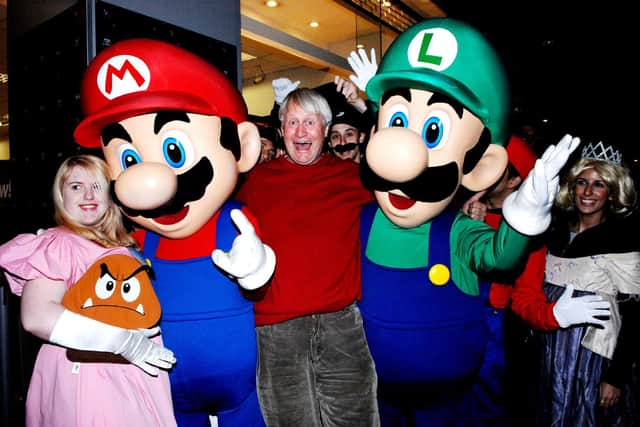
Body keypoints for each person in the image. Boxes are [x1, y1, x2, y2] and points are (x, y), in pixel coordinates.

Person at [347, 19, 579, 427]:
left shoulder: (456, 232)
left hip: (445, 400)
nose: (402, 159)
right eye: (396, 123)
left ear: (481, 165)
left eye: (433, 131)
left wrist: (524, 216)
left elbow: (499, 257)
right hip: (373, 395)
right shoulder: (360, 220)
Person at [73, 39, 275, 426]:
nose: (147, 180)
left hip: (236, 388)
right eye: (129, 160)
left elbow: (260, 272)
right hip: (167, 385)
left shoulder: (232, 222)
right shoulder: (139, 240)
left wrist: (257, 267)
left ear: (243, 148)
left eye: (173, 151)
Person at [235, 87, 379, 426]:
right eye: (293, 122)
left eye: (310, 123)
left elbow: (404, 180)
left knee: (356, 419)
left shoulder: (351, 178)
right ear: (282, 129)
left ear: (325, 131)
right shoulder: (253, 183)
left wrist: (370, 107)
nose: (301, 132)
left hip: (341, 326)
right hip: (276, 332)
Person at [0, 154, 177, 427]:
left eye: (97, 185)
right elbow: (37, 316)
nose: (88, 195)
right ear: (61, 195)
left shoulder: (124, 246)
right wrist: (125, 343)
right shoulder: (58, 243)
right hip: (86, 380)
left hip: (129, 379)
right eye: (75, 186)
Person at [462, 136, 611, 426]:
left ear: (515, 181)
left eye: (495, 164)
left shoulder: (530, 233)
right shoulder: (457, 210)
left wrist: (553, 315)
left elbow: (525, 299)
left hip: (489, 336)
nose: (483, 167)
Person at [536, 140, 640, 426]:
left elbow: (634, 317)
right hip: (549, 350)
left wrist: (614, 377)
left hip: (593, 359)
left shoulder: (621, 239)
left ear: (612, 192)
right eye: (582, 182)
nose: (588, 192)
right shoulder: (553, 231)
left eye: (599, 185)